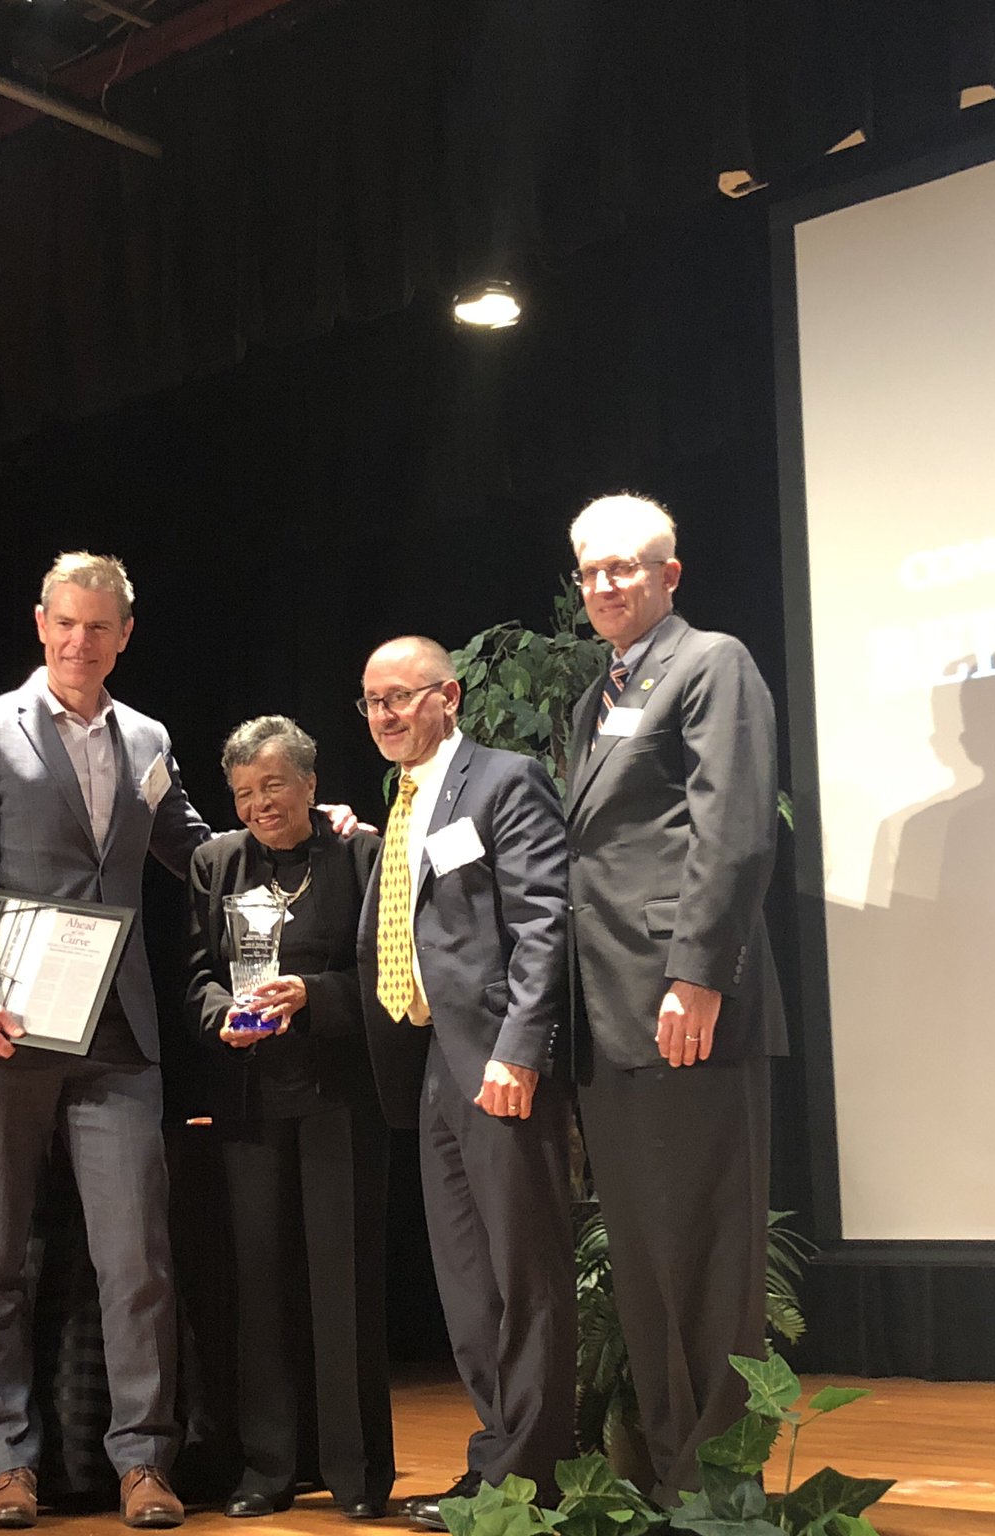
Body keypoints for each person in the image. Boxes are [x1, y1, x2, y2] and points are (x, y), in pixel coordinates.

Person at [0, 552, 211, 1531]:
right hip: (3, 1026)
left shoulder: (150, 738)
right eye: (64, 625)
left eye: (99, 628)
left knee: (137, 1258)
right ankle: (2, 1464)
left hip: (115, 1027)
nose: (79, 643)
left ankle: (143, 1464)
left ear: (125, 634)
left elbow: (193, 850)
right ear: (41, 624)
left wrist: (297, 832)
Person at [561, 494, 789, 1506]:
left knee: (704, 1264)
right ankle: (663, 1485)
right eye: (590, 571)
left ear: (669, 575)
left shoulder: (709, 663)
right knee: (649, 1266)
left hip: (679, 1005)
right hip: (608, 1015)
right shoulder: (592, 697)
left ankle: (718, 1497)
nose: (605, 585)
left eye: (624, 568)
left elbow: (731, 828)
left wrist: (694, 976)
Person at [351, 636, 574, 1528]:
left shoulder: (502, 780)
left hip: (496, 1060)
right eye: (370, 701)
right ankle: (496, 1465)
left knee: (525, 1272)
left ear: (449, 695)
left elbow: (542, 921)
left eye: (400, 698)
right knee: (467, 1280)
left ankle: (533, 1471)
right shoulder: (405, 802)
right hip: (432, 1063)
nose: (383, 715)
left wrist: (519, 1050)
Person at [185, 716, 394, 1522]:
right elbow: (197, 976)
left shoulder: (359, 857)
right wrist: (220, 1020)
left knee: (345, 1285)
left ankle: (357, 1473)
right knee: (260, 1285)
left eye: (273, 784)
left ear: (311, 783)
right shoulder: (214, 863)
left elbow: (384, 972)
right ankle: (269, 1467)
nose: (259, 803)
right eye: (242, 791)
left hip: (340, 1094)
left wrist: (313, 996)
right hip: (249, 1100)